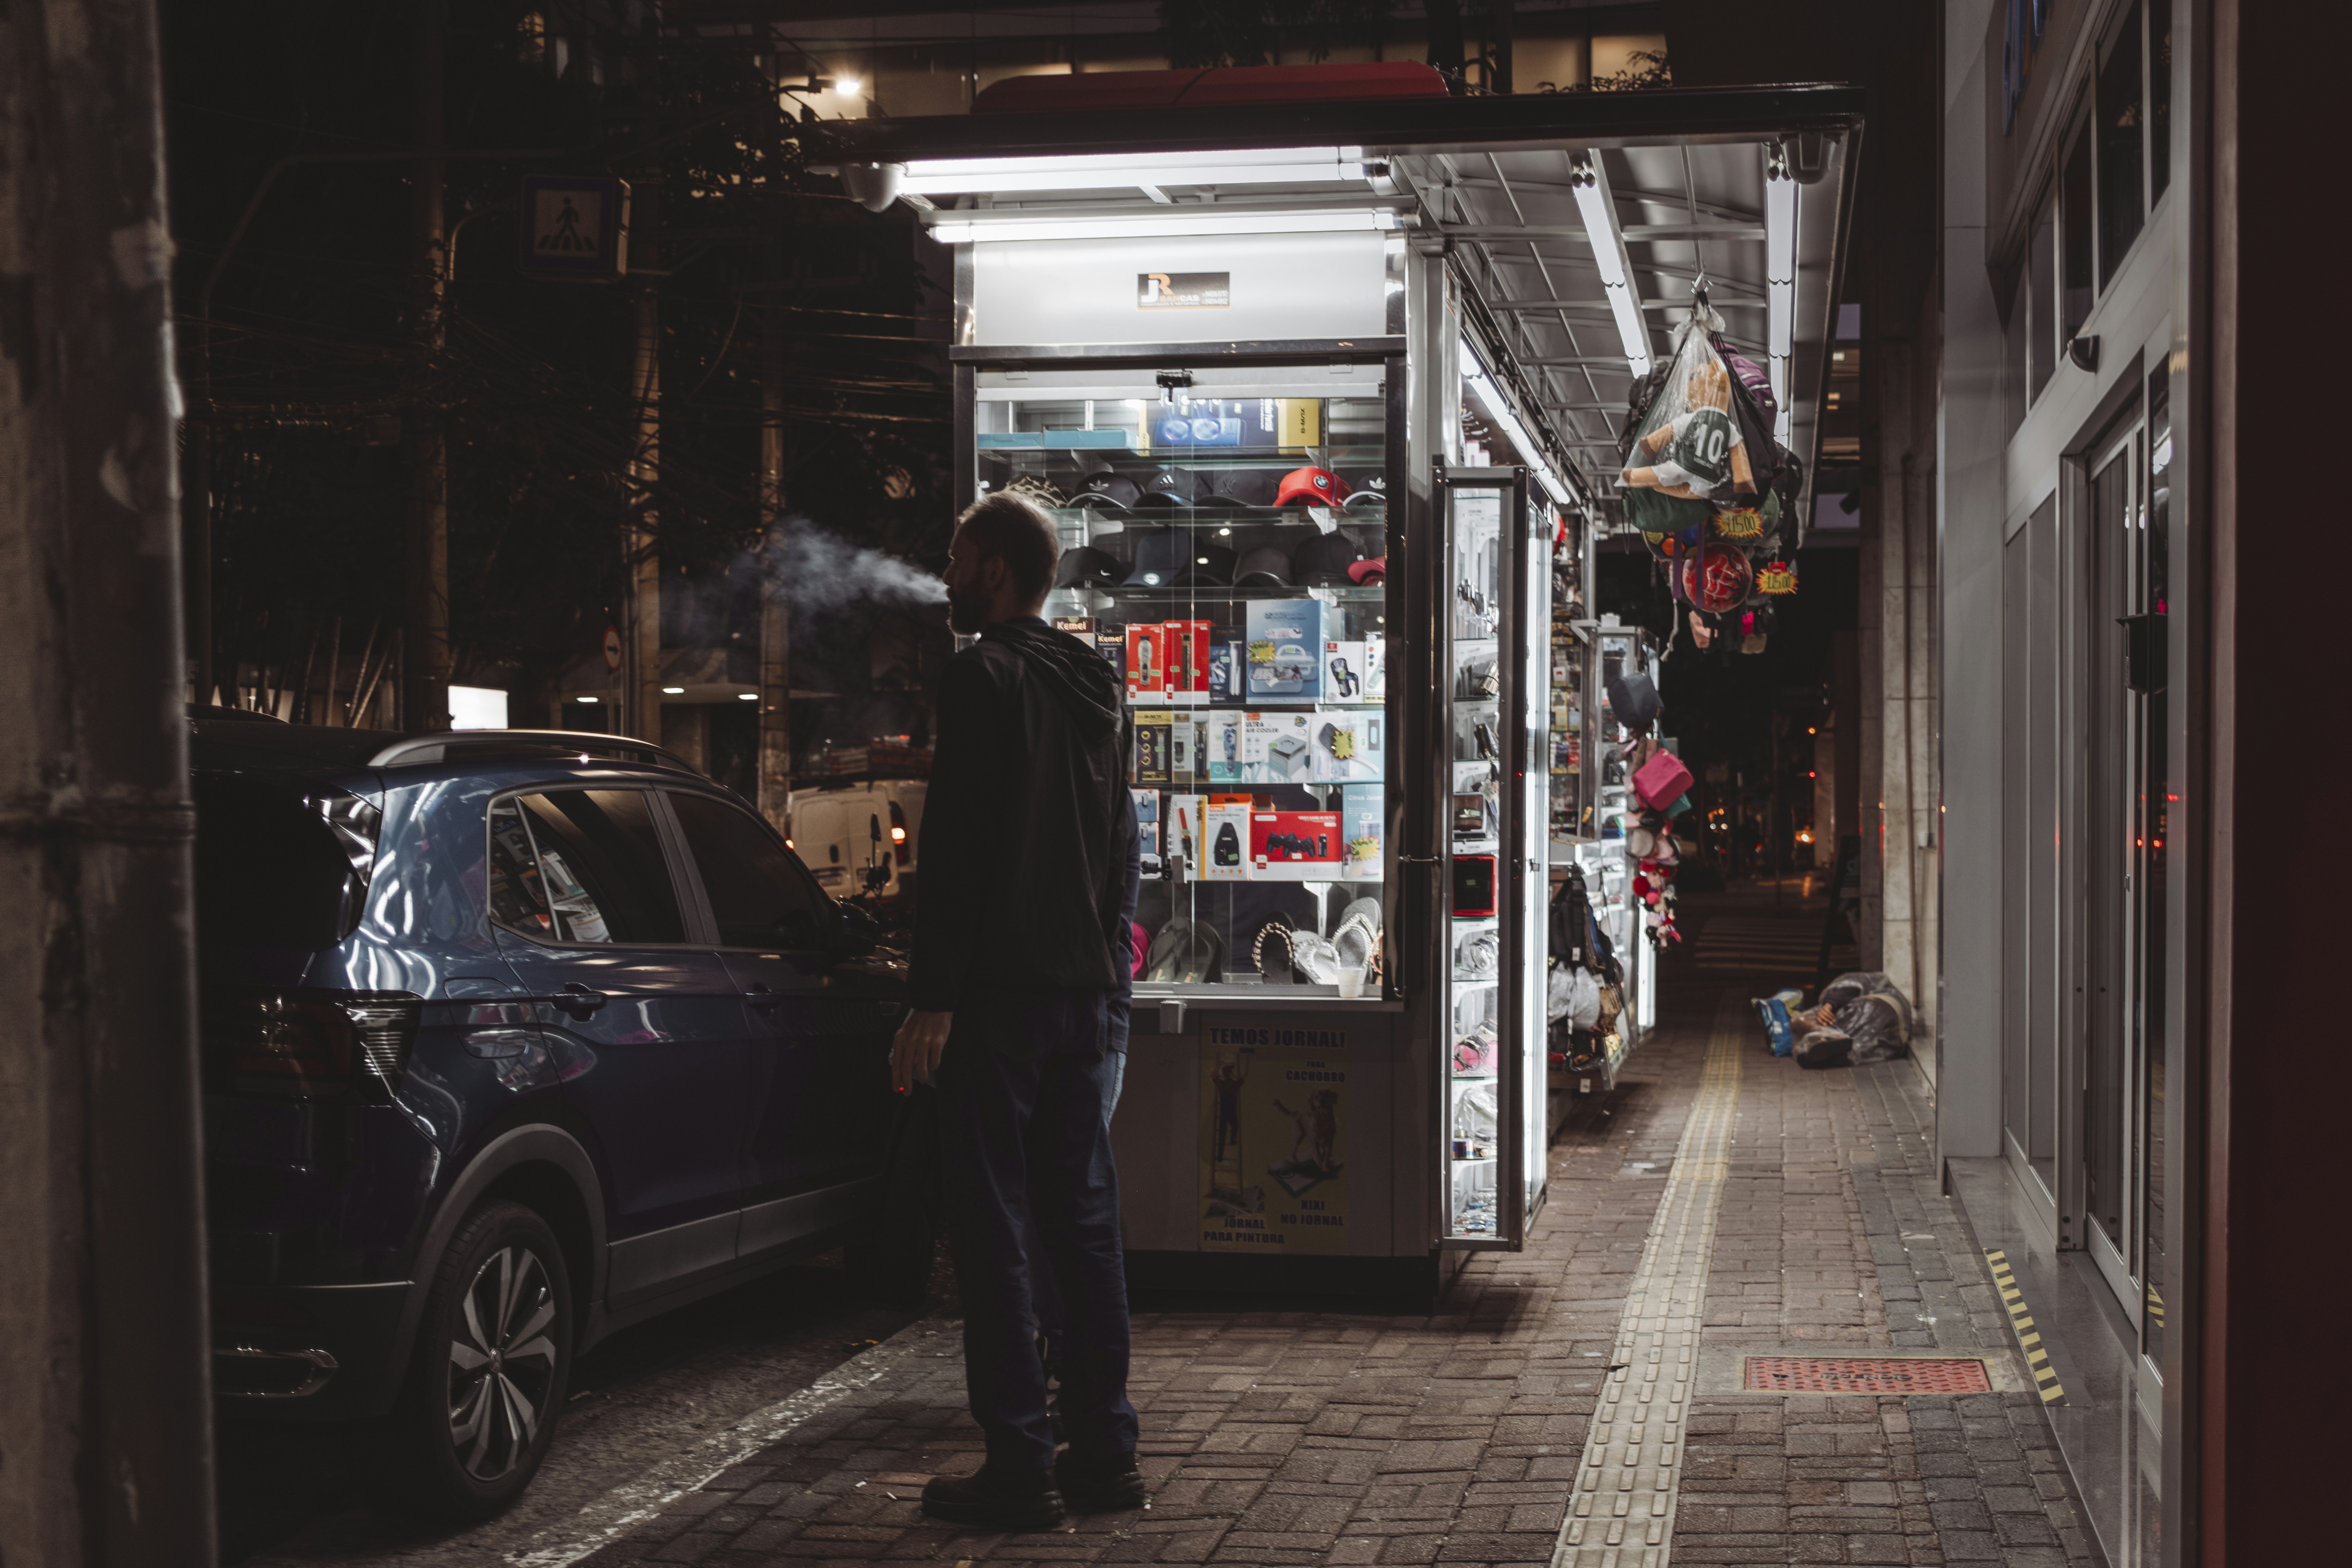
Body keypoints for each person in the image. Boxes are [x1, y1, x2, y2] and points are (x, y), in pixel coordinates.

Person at [893, 492, 1144, 1531]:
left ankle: (1018, 1467)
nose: (946, 576)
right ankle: (1105, 1457)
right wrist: (1107, 973)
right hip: (1084, 993)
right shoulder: (1095, 680)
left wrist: (932, 1000)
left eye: (957, 559)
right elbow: (1124, 845)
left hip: (998, 999)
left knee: (991, 1228)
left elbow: (956, 850)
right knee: (1082, 1226)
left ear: (995, 570)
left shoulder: (980, 675)